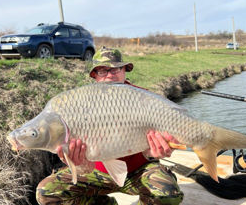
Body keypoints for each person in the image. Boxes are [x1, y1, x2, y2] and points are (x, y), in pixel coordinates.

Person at [36, 47, 184, 205]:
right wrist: (80, 165)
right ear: (95, 76)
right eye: (103, 71)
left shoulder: (147, 99)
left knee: (169, 194)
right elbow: (83, 167)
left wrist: (155, 152)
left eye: (115, 69)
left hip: (139, 171)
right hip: (97, 172)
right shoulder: (79, 103)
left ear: (125, 70)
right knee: (46, 193)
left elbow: (169, 136)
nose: (109, 75)